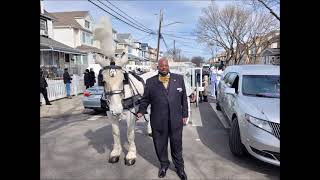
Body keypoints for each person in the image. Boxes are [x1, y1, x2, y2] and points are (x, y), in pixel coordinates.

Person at [137, 57, 188, 180]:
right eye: (161, 66)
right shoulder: (150, 82)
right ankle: (164, 165)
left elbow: (184, 98)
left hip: (176, 119)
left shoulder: (179, 79)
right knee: (160, 144)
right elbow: (145, 99)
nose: (164, 67)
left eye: (166, 65)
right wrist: (141, 111)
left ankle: (180, 168)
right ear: (158, 67)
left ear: (168, 66)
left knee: (177, 145)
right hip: (158, 120)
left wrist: (185, 114)